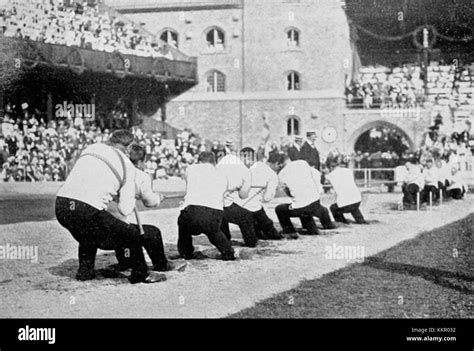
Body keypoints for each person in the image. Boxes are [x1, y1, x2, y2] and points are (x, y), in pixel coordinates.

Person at [55, 130, 165, 284]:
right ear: (129, 146)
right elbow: (125, 209)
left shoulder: (92, 148)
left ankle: (85, 271)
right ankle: (141, 274)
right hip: (87, 208)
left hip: (61, 205)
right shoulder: (127, 165)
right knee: (132, 233)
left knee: (89, 232)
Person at [111, 144, 185, 273]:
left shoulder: (111, 170)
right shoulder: (141, 176)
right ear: (140, 162)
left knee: (122, 220)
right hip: (117, 230)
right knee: (152, 232)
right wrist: (158, 198)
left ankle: (125, 261)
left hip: (100, 222)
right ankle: (162, 265)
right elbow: (149, 202)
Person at [177, 151, 235, 261]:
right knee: (214, 231)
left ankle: (186, 252)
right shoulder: (222, 174)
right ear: (214, 162)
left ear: (199, 161)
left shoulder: (191, 168)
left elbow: (189, 184)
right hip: (214, 212)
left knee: (183, 225)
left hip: (193, 210)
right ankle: (228, 252)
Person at [270, 153, 335, 237]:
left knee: (280, 209)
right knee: (308, 206)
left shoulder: (281, 175)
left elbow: (289, 193)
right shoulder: (303, 163)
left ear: (280, 164)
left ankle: (289, 231)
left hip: (302, 207)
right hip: (315, 202)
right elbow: (316, 174)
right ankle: (314, 228)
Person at [235, 147, 283, 240]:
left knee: (262, 227)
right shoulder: (269, 172)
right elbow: (267, 198)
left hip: (246, 208)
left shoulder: (259, 169)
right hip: (248, 209)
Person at [217, 149, 258, 247]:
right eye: (252, 161)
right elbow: (243, 196)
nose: (252, 165)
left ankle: (225, 238)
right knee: (247, 215)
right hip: (223, 205)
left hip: (210, 202)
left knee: (225, 207)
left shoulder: (226, 159)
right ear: (247, 158)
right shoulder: (245, 171)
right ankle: (251, 243)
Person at [326, 158, 367, 224]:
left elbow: (324, 181)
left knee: (333, 208)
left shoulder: (330, 175)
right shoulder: (348, 171)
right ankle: (360, 219)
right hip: (357, 200)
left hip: (345, 204)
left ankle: (341, 221)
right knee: (354, 207)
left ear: (330, 167)